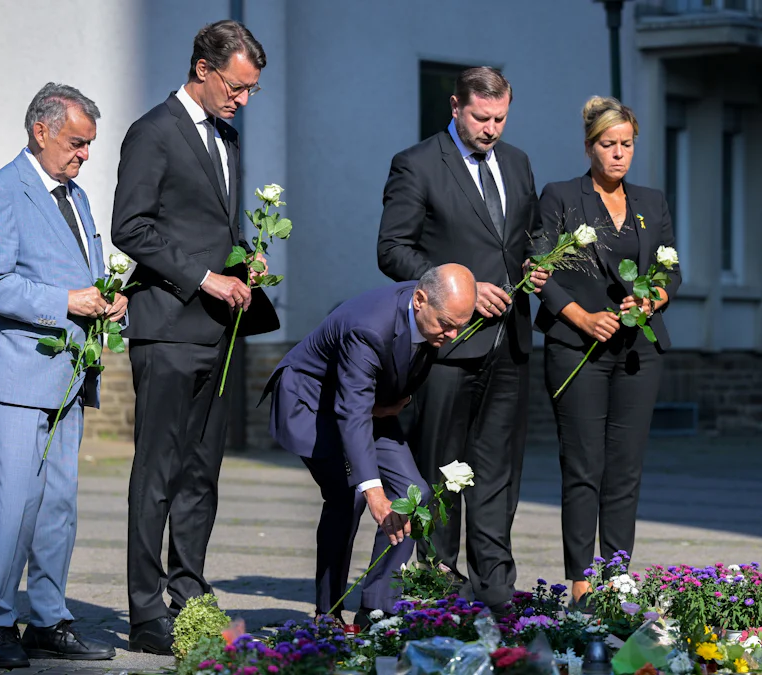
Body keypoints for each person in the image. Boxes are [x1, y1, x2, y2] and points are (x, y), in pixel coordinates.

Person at [111, 20, 278, 655]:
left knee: (203, 472)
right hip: (168, 326)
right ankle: (145, 610)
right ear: (204, 70)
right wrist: (204, 276)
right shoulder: (152, 132)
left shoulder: (228, 137)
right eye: (237, 87)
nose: (242, 99)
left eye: (252, 91)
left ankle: (190, 593)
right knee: (158, 470)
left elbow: (215, 224)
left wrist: (243, 261)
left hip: (221, 330)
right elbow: (131, 226)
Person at [376, 67, 547, 614]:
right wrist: (463, 294)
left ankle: (495, 593)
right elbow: (392, 249)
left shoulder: (518, 163)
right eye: (480, 117)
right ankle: (436, 589)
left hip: (511, 342)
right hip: (447, 347)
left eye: (500, 118)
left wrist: (536, 265)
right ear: (455, 106)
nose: (491, 128)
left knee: (498, 474)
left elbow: (526, 234)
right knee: (440, 471)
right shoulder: (418, 163)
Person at [0, 83, 120, 668]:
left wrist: (106, 298)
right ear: (42, 130)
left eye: (88, 145)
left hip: (69, 374)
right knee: (20, 504)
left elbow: (82, 273)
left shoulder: (75, 197)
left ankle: (49, 619)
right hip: (15, 375)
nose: (84, 154)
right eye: (77, 143)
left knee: (59, 504)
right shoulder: (4, 190)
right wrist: (69, 301)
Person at [264, 264, 478, 625]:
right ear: (419, 300)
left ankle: (378, 605)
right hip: (314, 404)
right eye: (446, 324)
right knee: (349, 497)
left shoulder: (436, 305)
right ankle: (327, 612)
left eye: (461, 324)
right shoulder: (369, 327)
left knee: (417, 494)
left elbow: (366, 403)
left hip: (367, 405)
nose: (453, 334)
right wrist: (374, 491)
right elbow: (352, 415)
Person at [535, 96, 681, 605]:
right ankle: (580, 580)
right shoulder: (560, 197)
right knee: (583, 465)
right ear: (589, 146)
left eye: (626, 145)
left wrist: (656, 294)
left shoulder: (652, 202)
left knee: (625, 468)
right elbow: (540, 271)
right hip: (577, 349)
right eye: (608, 145)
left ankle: (617, 574)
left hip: (640, 350)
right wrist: (581, 317)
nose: (618, 154)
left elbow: (671, 269)